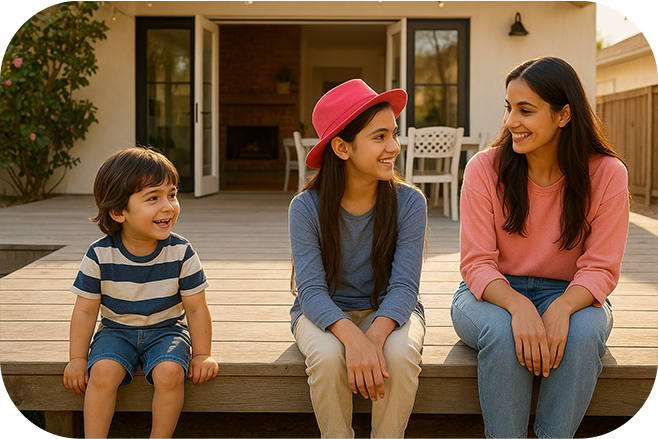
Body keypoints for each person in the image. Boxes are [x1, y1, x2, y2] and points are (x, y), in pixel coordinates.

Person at [451, 56, 630, 439]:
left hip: (571, 294)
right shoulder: (484, 168)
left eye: (525, 110)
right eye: (509, 108)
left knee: (583, 336)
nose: (510, 121)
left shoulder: (608, 174)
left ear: (564, 115)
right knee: (502, 332)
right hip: (490, 295)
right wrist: (518, 306)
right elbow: (477, 264)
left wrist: (563, 307)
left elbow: (600, 268)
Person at [289, 79, 427, 439]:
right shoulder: (305, 208)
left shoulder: (410, 203)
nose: (394, 147)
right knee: (326, 356)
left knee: (399, 357)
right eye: (379, 136)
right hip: (323, 313)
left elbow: (404, 286)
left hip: (391, 310)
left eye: (394, 134)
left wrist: (375, 337)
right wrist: (353, 338)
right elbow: (310, 291)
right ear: (342, 147)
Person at [62, 146, 219, 438]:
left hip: (167, 330)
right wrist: (77, 359)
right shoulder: (99, 255)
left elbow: (196, 308)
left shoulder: (181, 252)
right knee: (103, 372)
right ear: (118, 211)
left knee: (170, 373)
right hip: (115, 331)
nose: (168, 206)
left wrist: (202, 355)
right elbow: (85, 310)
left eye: (171, 194)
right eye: (153, 198)